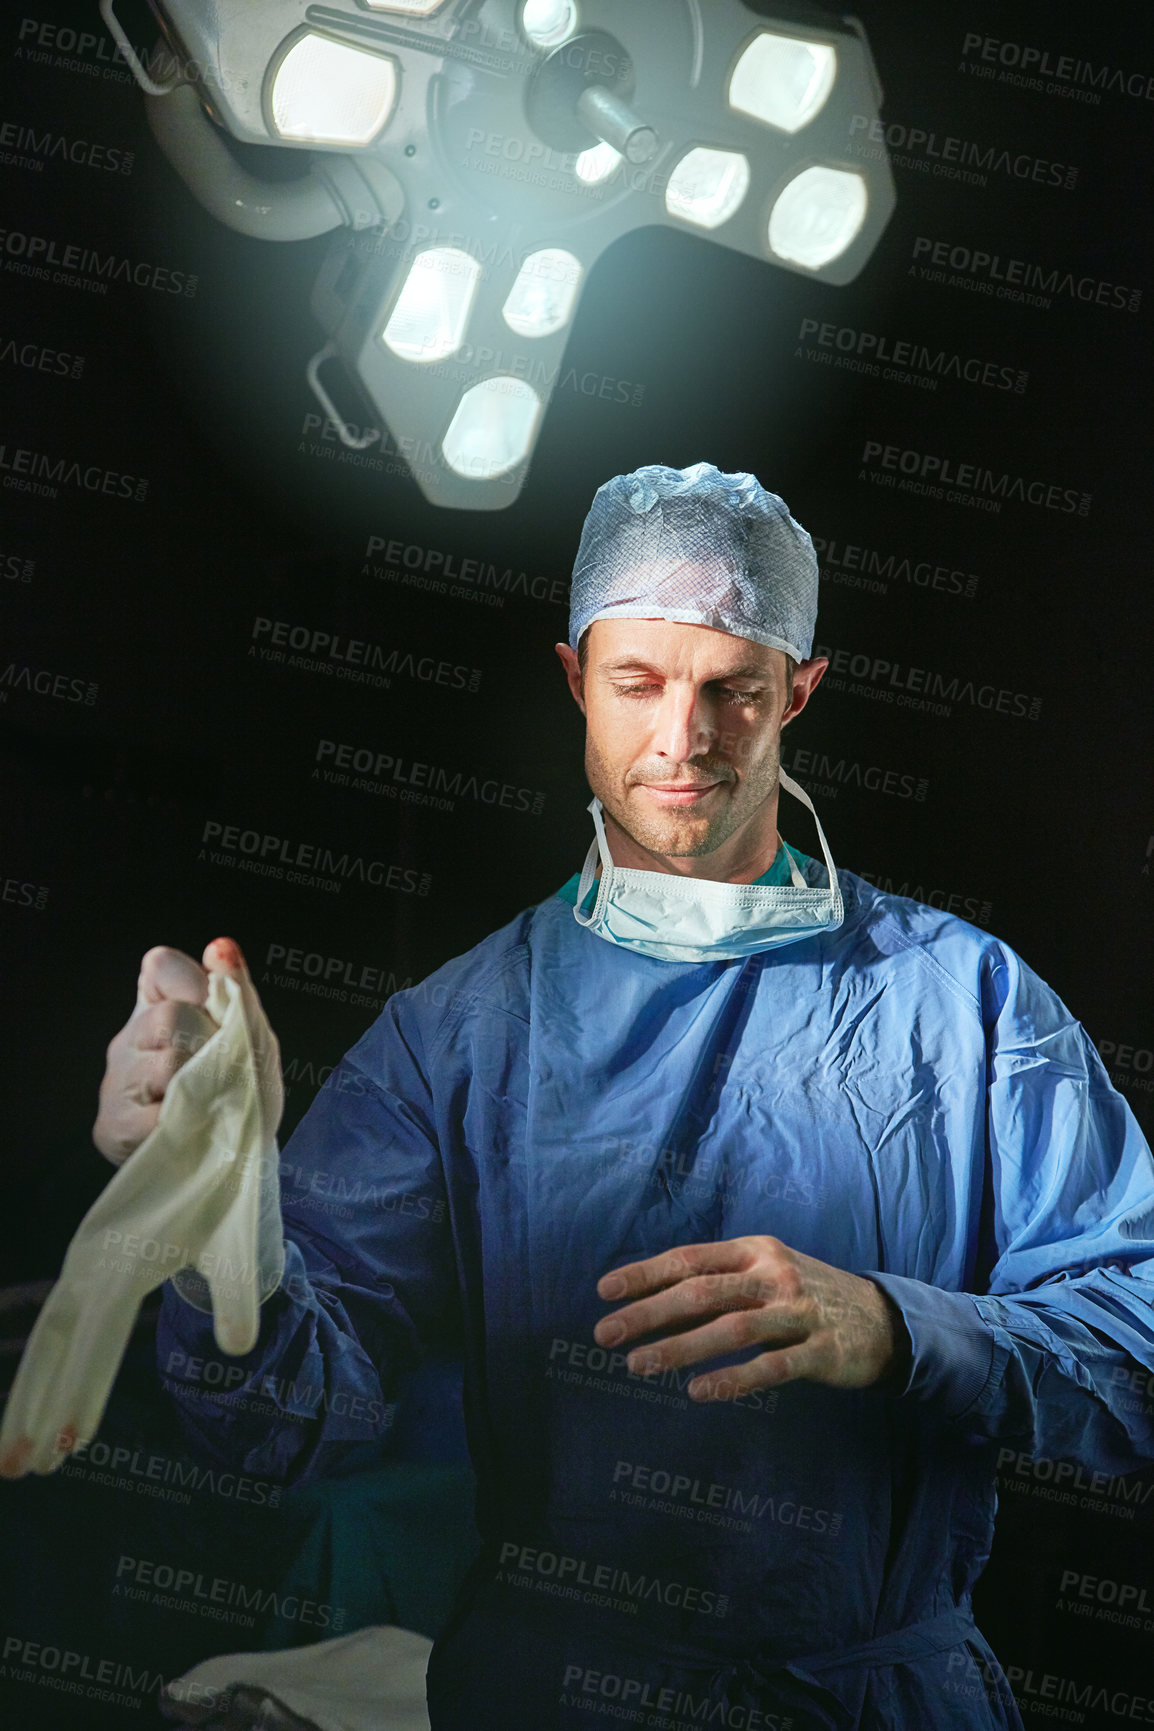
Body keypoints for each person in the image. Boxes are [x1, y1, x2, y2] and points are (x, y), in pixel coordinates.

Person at [93, 464, 1154, 1730]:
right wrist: (219, 1220)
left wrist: (894, 1326)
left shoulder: (964, 1005)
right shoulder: (455, 1035)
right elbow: (289, 1424)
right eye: (636, 683)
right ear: (570, 679)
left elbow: (1138, 1344)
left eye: (732, 691)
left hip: (877, 1693)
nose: (682, 741)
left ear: (798, 693)